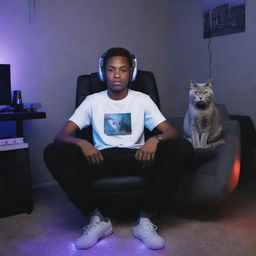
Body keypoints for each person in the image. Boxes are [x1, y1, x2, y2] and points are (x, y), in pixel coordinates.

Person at [44, 47, 193, 250]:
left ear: (131, 73)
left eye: (123, 69)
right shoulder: (92, 101)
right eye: (111, 69)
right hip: (100, 160)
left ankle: (145, 220)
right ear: (102, 72)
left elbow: (171, 133)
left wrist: (155, 140)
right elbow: (60, 136)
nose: (116, 75)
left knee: (183, 147)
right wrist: (82, 143)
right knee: (52, 152)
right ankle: (97, 219)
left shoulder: (142, 99)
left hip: (138, 159)